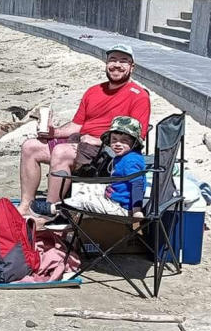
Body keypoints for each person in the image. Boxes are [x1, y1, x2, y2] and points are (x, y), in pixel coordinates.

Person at [16, 44, 150, 218]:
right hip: (82, 142)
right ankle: (25, 205)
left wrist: (102, 141)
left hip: (107, 153)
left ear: (132, 67)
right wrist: (53, 132)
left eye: (123, 61)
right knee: (30, 147)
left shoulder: (139, 96)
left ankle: (51, 211)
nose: (117, 65)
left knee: (61, 151)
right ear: (106, 63)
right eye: (112, 60)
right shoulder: (94, 91)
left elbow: (138, 137)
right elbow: (77, 125)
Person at [40, 116, 146, 218]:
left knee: (83, 200)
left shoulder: (131, 161)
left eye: (124, 141)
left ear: (134, 142)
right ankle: (67, 214)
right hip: (116, 196)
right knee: (83, 188)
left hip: (122, 208)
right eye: (114, 140)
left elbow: (138, 184)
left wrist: (137, 211)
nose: (118, 144)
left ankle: (55, 209)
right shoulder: (124, 155)